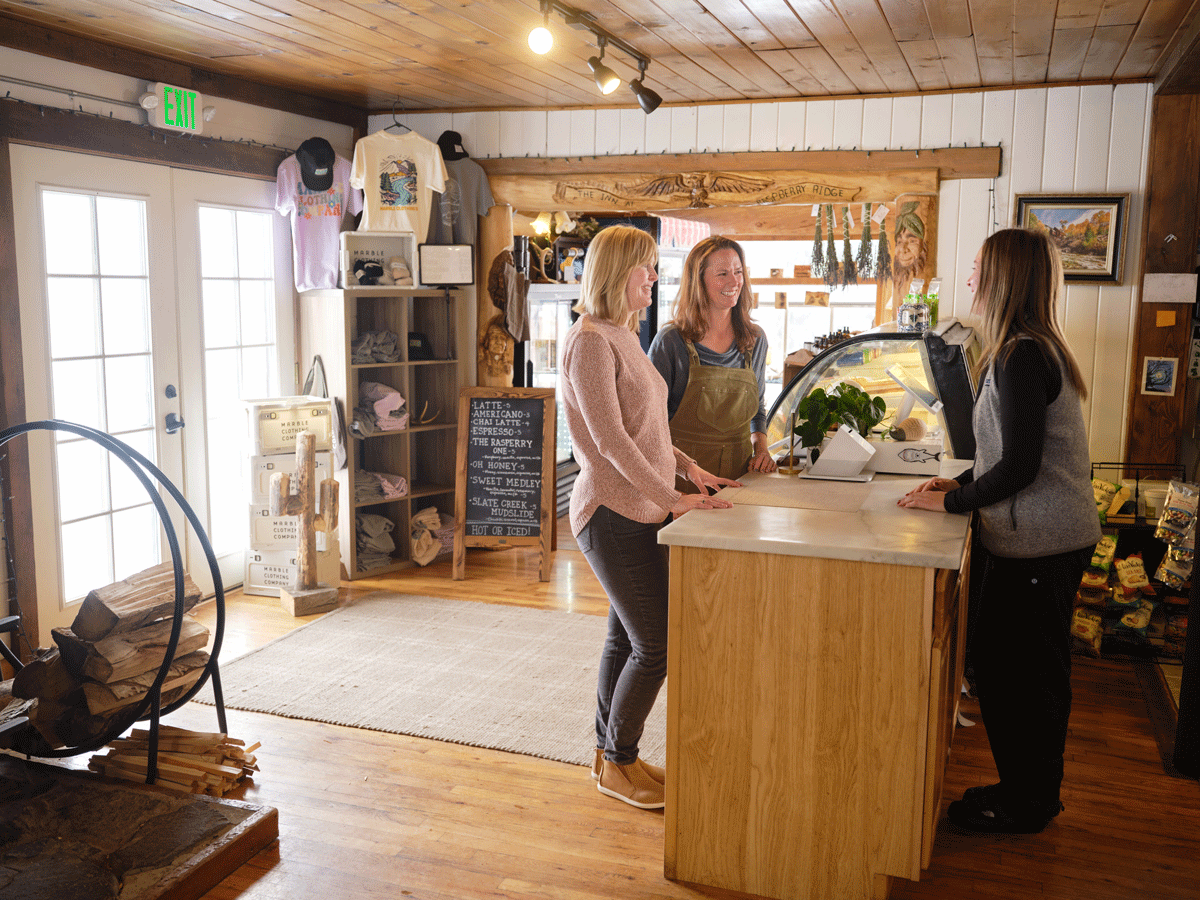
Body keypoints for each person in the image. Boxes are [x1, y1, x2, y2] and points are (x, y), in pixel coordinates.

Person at [898, 228, 1101, 833]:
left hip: (1044, 543)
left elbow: (1021, 466)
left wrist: (956, 500)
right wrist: (954, 487)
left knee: (1026, 677)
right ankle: (1025, 790)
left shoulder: (1023, 356)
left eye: (978, 266)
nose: (969, 279)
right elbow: (1006, 455)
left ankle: (1029, 803)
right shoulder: (1022, 346)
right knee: (1009, 669)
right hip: (1038, 539)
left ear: (1005, 277)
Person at [561, 224, 741, 810]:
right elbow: (611, 440)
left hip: (638, 506)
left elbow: (650, 428)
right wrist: (672, 499)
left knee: (625, 637)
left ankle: (610, 755)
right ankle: (619, 761)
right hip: (609, 511)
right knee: (655, 644)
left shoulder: (623, 334)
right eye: (646, 267)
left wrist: (690, 470)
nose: (655, 276)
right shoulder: (590, 341)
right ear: (618, 272)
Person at [649, 236, 777, 489]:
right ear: (699, 281)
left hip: (740, 481)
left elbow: (757, 411)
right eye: (722, 274)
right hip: (683, 483)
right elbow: (649, 425)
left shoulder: (755, 339)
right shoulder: (671, 341)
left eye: (738, 272)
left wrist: (761, 450)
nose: (734, 282)